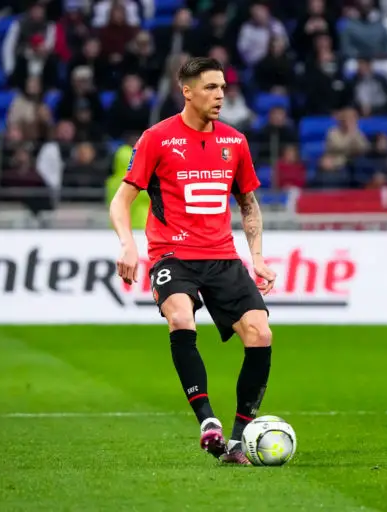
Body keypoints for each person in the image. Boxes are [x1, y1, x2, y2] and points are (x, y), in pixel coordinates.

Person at [108, 57, 277, 465]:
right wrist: (128, 245)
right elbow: (121, 200)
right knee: (181, 317)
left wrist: (256, 257)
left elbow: (248, 203)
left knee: (261, 334)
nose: (220, 95)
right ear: (187, 91)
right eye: (211, 88)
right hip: (173, 254)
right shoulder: (157, 138)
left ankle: (237, 440)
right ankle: (207, 421)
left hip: (222, 256)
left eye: (223, 88)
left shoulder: (235, 142)